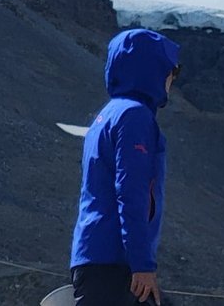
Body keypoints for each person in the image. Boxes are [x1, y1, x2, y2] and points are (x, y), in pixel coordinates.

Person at [69, 28, 181, 305]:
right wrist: (142, 264)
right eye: (171, 70)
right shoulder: (135, 116)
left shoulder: (108, 114)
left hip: (95, 257)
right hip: (115, 262)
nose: (172, 78)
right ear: (152, 69)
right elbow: (131, 191)